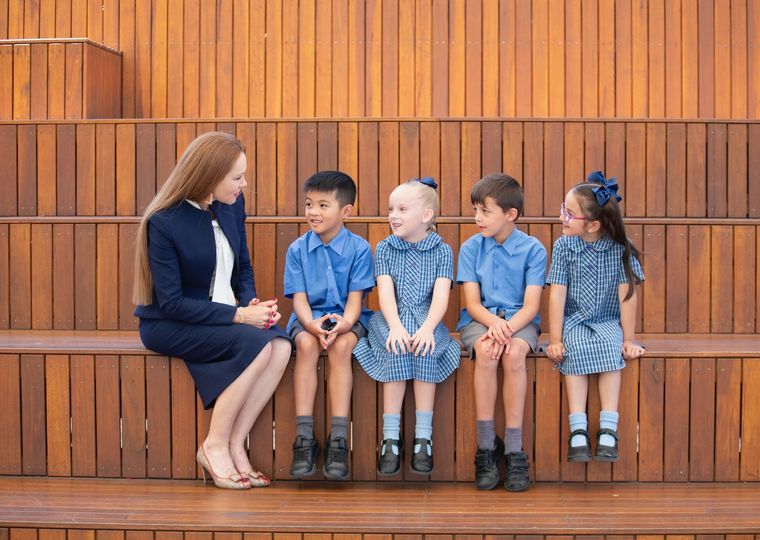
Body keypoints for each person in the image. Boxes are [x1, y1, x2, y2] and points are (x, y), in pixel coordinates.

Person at [133, 131, 291, 490]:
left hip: (225, 316)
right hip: (170, 323)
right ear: (208, 176)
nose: (243, 184)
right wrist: (238, 316)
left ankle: (236, 443)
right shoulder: (164, 221)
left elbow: (244, 267)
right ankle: (213, 444)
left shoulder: (232, 205)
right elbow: (172, 303)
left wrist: (249, 302)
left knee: (281, 344)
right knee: (257, 345)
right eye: (236, 177)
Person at [354, 178, 460, 476]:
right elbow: (385, 293)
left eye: (402, 209)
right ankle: (391, 437)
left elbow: (440, 296)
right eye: (391, 208)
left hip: (428, 319)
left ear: (426, 216)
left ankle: (423, 437)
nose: (393, 215)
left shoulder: (442, 250)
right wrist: (396, 327)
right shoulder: (386, 248)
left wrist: (427, 328)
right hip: (391, 317)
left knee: (427, 349)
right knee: (396, 347)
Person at [546, 171, 645, 464]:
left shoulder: (618, 250)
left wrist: (628, 339)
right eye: (563, 209)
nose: (562, 216)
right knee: (573, 348)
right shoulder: (564, 246)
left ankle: (608, 429)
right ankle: (577, 428)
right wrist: (554, 339)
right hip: (575, 319)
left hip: (606, 319)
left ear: (593, 225)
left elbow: (627, 297)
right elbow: (557, 294)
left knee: (611, 349)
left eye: (570, 213)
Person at [456, 173, 547, 492]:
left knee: (514, 353)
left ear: (511, 214)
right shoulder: (470, 248)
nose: (477, 218)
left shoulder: (534, 250)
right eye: (475, 210)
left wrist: (507, 329)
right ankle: (485, 448)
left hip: (519, 322)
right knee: (485, 351)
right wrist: (494, 327)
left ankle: (514, 448)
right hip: (481, 319)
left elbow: (531, 306)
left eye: (484, 211)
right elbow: (472, 303)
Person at [284, 171, 375, 480]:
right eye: (309, 204)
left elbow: (355, 300)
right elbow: (299, 300)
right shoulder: (297, 250)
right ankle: (304, 438)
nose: (313, 212)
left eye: (323, 205)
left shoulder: (360, 249)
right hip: (310, 319)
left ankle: (338, 439)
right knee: (305, 345)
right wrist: (310, 325)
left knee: (342, 346)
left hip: (348, 319)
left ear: (345, 211)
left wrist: (344, 325)